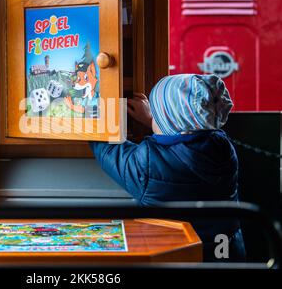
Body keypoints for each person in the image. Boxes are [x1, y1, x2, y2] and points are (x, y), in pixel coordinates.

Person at [90, 74, 246, 262]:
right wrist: (152, 120)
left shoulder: (148, 161)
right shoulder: (224, 149)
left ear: (167, 122)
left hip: (176, 256)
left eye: (156, 114)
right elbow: (186, 135)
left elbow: (108, 150)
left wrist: (90, 115)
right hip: (225, 254)